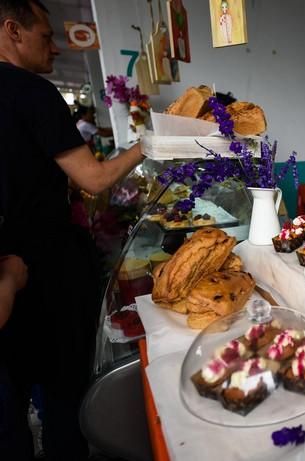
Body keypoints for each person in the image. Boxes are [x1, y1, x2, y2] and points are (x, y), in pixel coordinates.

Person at [0, 1, 145, 459]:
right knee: (64, 391)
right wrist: (152, 142)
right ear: (12, 31)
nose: (56, 47)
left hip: (6, 271)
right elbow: (95, 178)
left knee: (10, 399)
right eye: (46, 35)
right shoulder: (31, 92)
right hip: (44, 270)